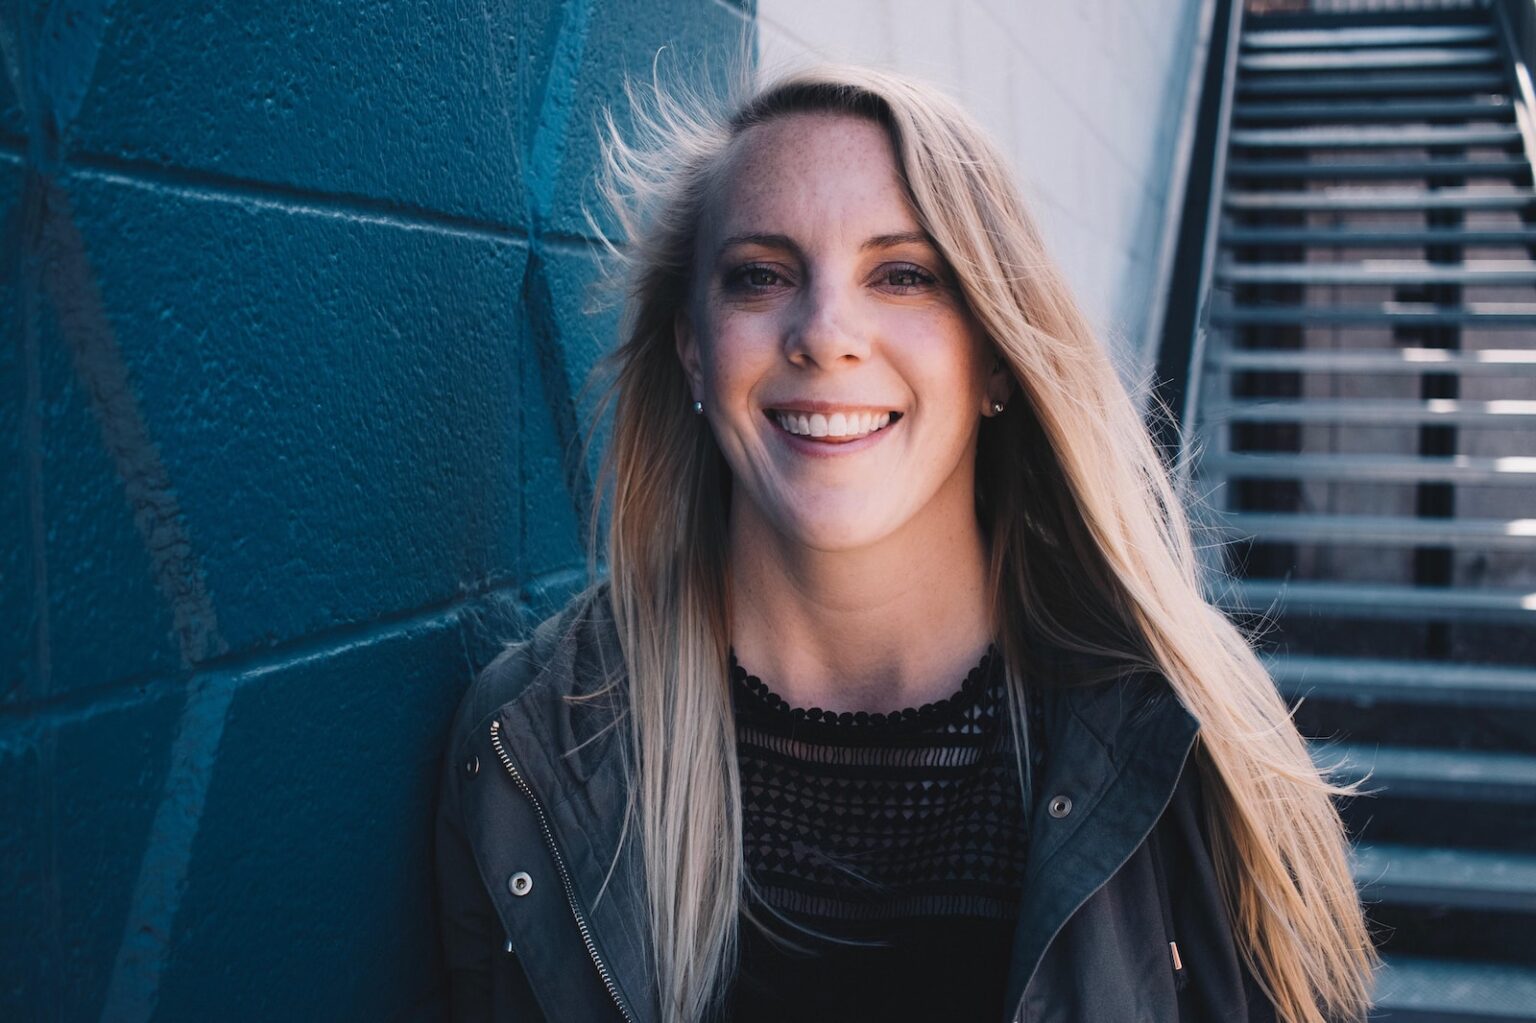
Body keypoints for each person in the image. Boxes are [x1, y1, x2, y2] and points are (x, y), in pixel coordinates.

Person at [434, 63, 1376, 1023]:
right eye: (762, 274)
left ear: (997, 355)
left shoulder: (1183, 732)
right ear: (692, 351)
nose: (826, 333)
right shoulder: (534, 739)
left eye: (904, 274)